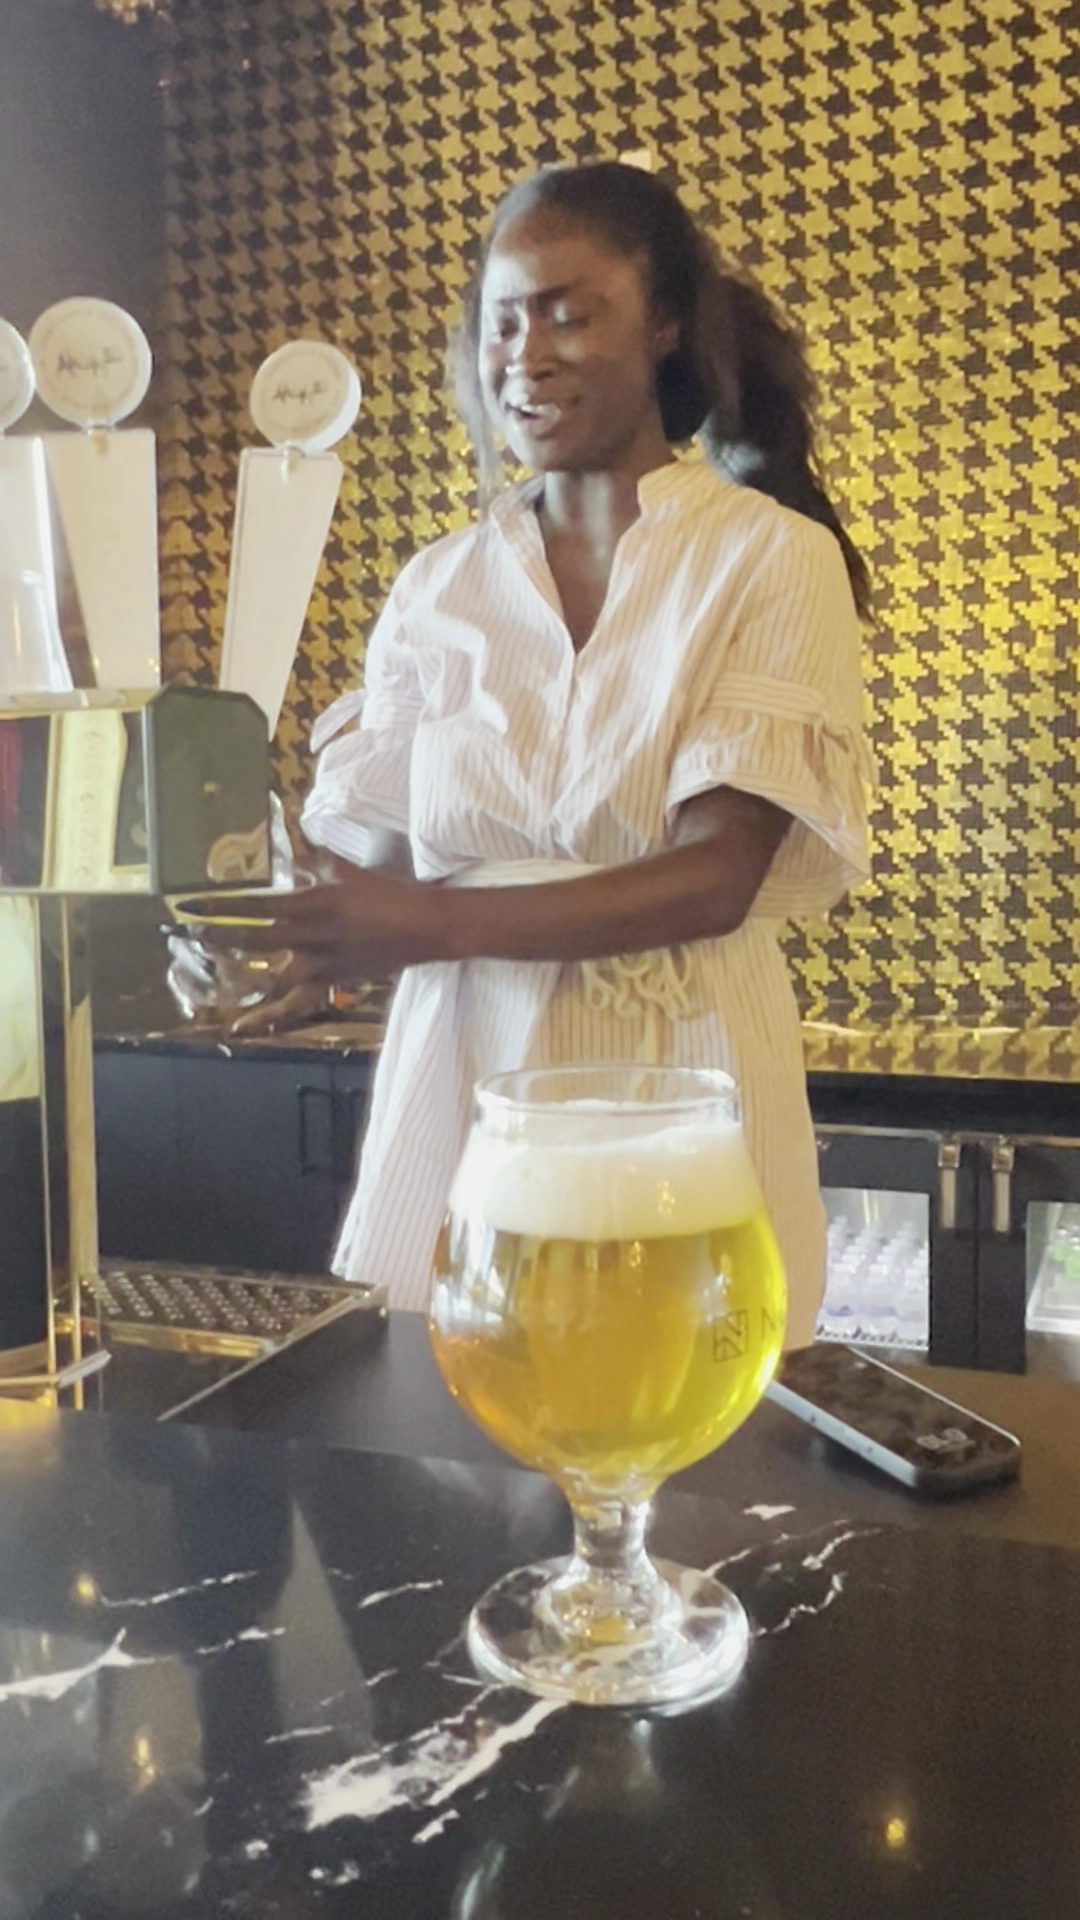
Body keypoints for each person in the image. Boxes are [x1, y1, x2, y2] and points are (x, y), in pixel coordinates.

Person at [190, 161, 873, 1348]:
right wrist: (270, 940)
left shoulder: (769, 558)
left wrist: (430, 923)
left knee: (681, 1407)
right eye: (503, 321)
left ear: (664, 325)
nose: (526, 354)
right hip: (469, 1082)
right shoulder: (437, 587)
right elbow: (359, 859)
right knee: (453, 1409)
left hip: (684, 1088)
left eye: (569, 313)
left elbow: (716, 878)